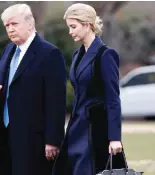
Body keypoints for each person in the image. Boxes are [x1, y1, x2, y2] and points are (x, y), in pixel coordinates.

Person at [0, 4, 67, 175]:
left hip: (34, 140)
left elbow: (56, 100)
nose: (10, 29)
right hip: (6, 136)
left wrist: (53, 140)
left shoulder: (49, 54)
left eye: (14, 24)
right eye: (7, 26)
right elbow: (1, 86)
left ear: (30, 23)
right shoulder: (8, 51)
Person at [52, 3, 126, 175]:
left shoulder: (106, 55)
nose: (70, 32)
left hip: (95, 130)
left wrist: (115, 138)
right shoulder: (77, 55)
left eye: (73, 26)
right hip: (76, 127)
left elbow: (113, 99)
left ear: (87, 24)